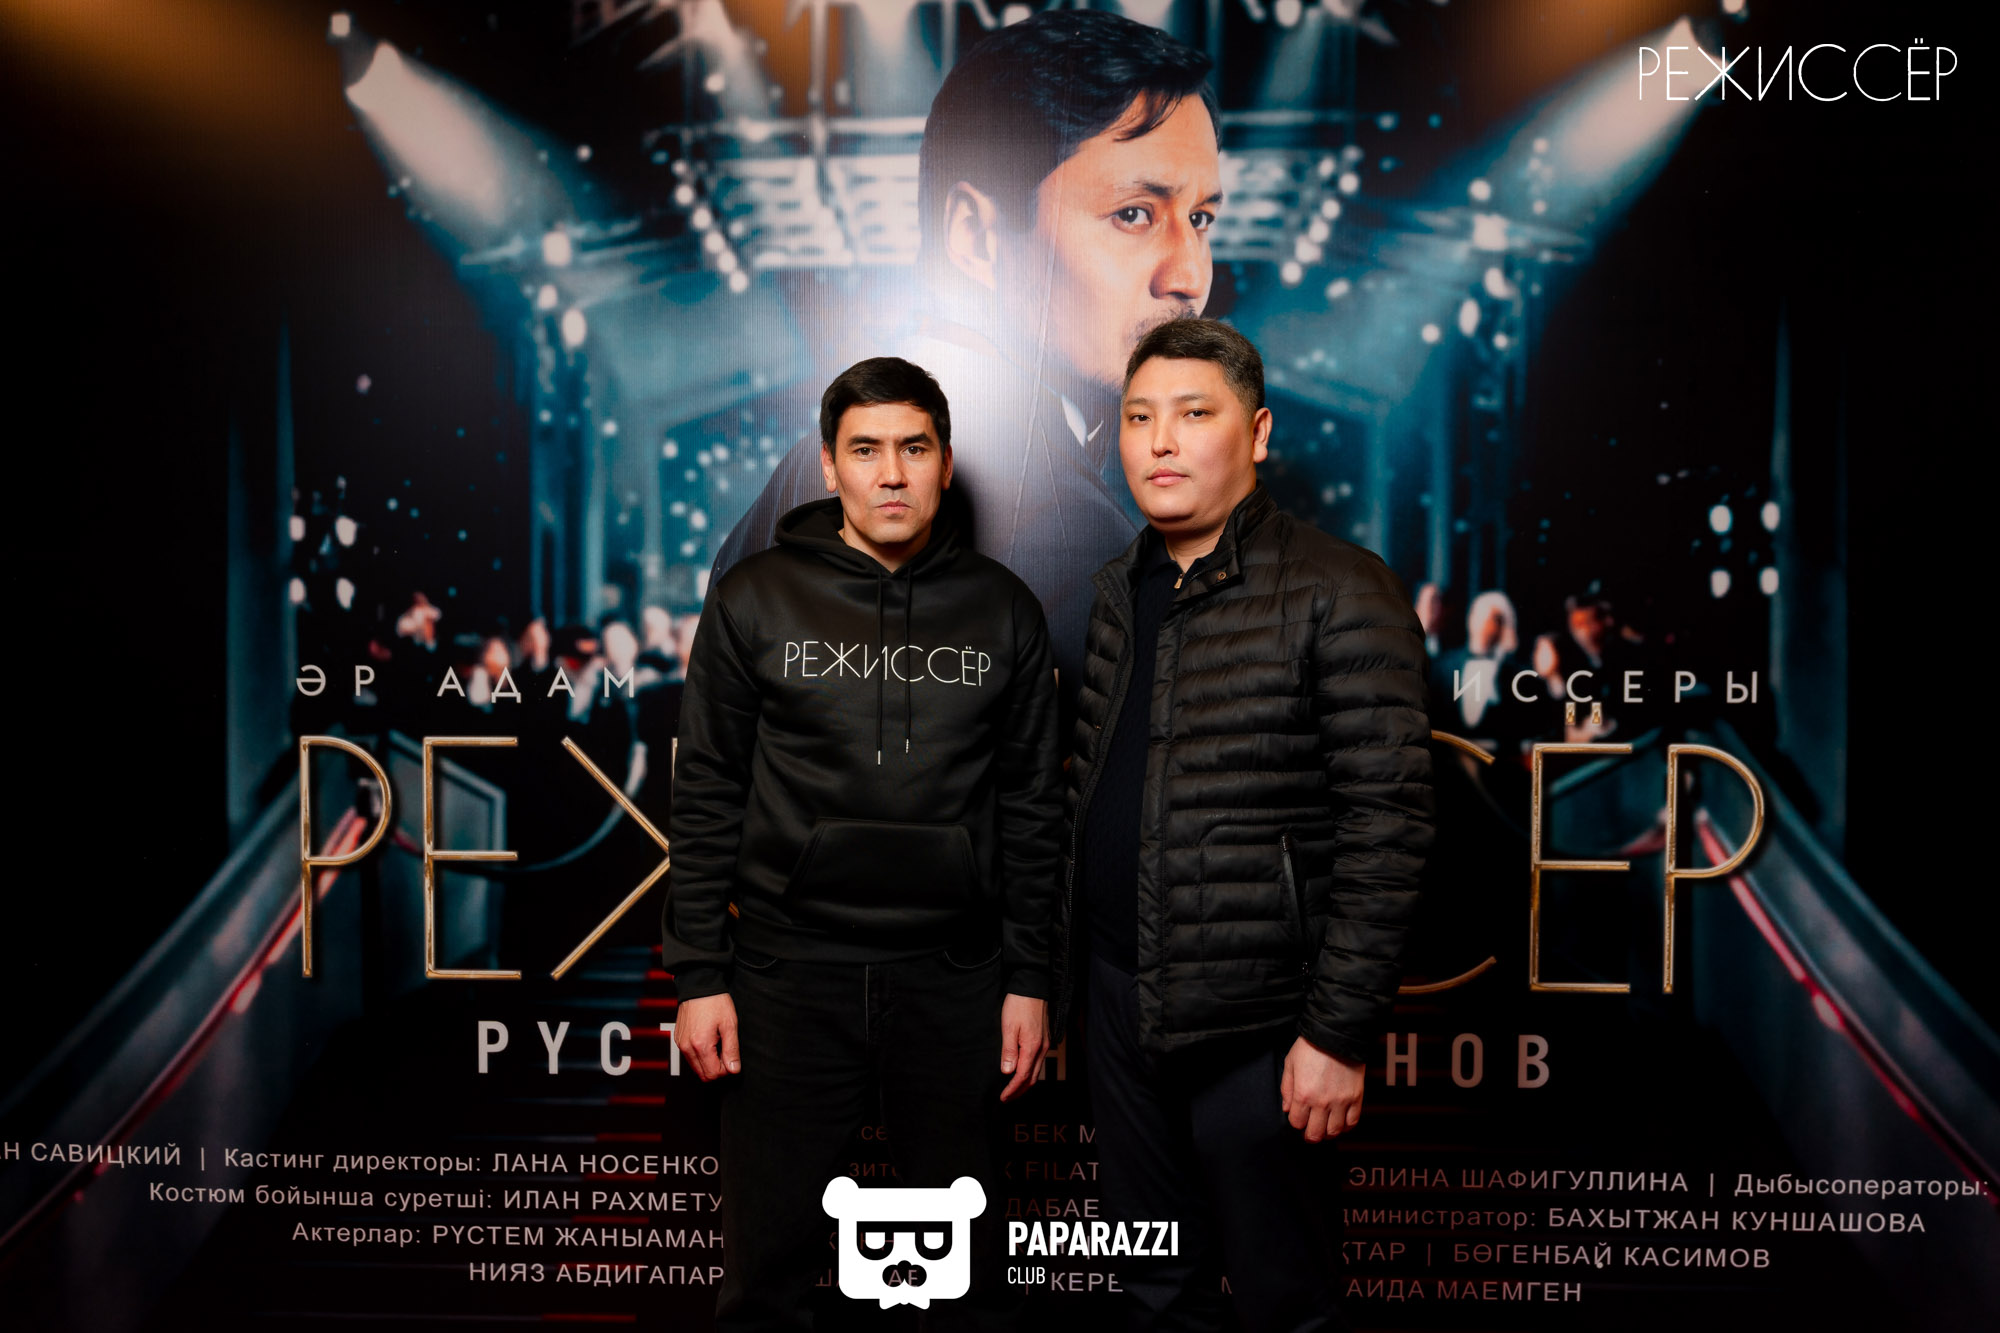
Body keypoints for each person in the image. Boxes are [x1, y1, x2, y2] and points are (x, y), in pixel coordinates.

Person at [664, 357, 1064, 1330]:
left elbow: (1032, 806)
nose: (891, 473)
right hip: (786, 975)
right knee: (765, 1280)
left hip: (956, 979)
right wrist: (699, 975)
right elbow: (706, 787)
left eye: (914, 448)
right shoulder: (755, 596)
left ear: (945, 462)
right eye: (866, 449)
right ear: (829, 464)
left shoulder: (1005, 607)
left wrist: (1030, 978)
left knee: (961, 1283)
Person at [1061, 320, 1434, 1332]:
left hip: (1264, 1020)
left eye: (1194, 414)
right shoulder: (1117, 590)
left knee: (1286, 1304)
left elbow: (1389, 825)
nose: (1160, 441)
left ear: (1258, 433)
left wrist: (1336, 1033)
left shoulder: (1339, 587)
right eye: (1139, 417)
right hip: (1118, 999)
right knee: (1151, 1294)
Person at [711, 10, 1222, 710]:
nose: (1190, 275)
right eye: (1134, 214)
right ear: (977, 238)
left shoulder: (807, 474)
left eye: (1201, 219)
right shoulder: (1072, 536)